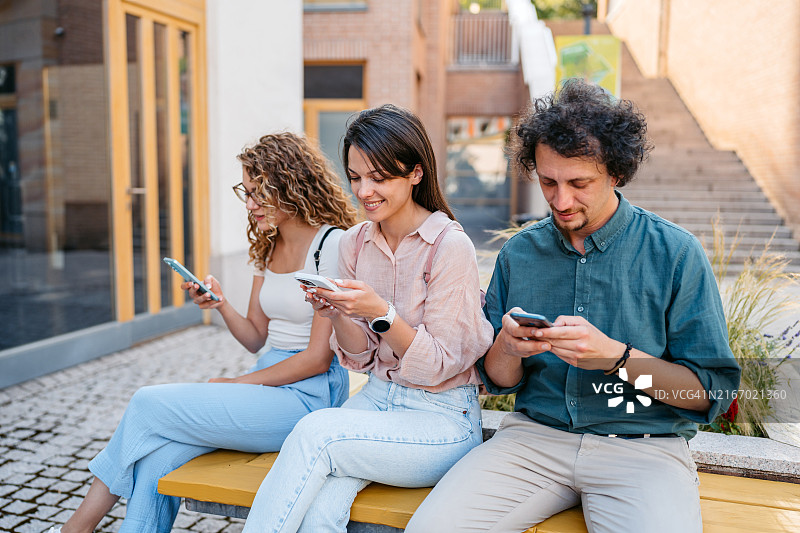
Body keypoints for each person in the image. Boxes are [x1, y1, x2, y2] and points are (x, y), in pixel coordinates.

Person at [406, 79, 742, 533]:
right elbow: (497, 380)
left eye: (579, 183)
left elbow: (709, 393)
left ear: (616, 173)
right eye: (549, 182)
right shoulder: (519, 253)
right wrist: (507, 346)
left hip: (643, 449)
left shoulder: (676, 254)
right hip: (533, 442)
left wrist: (615, 358)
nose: (561, 201)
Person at [50, 132, 358, 533]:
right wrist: (220, 304)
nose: (250, 204)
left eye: (259, 193)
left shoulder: (331, 245)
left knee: (146, 404)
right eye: (246, 193)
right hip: (264, 389)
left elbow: (317, 359)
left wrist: (237, 384)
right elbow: (255, 337)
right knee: (156, 460)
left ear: (290, 184)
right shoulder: (268, 247)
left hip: (307, 399)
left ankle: (76, 528)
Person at [240, 104, 494, 533]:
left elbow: (438, 365)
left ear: (416, 173)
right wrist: (337, 313)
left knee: (314, 433)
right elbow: (358, 358)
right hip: (376, 400)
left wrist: (381, 312)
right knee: (320, 510)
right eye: (355, 177)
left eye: (378, 177)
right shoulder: (354, 243)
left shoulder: (449, 247)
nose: (364, 191)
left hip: (441, 419)